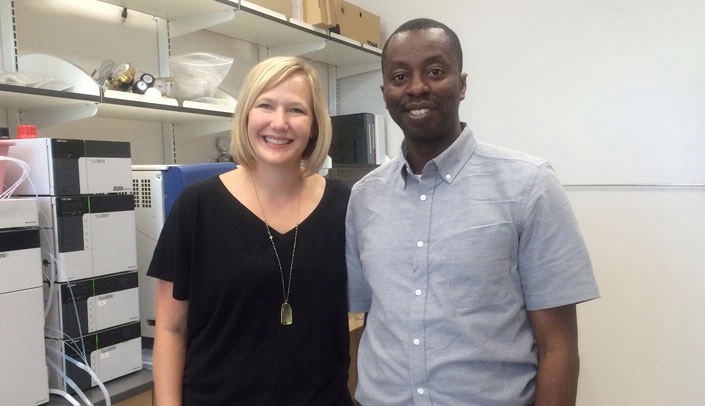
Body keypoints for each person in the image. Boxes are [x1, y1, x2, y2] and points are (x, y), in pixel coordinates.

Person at [345, 18, 600, 406]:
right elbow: (361, 327)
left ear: (462, 84)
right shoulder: (363, 198)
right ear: (384, 92)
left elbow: (558, 348)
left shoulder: (528, 185)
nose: (416, 87)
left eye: (434, 71)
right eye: (400, 76)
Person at [149, 56, 353, 405]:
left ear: (315, 125)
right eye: (266, 105)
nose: (279, 123)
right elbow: (170, 329)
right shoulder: (197, 205)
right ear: (245, 116)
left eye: (296, 110)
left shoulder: (345, 205)